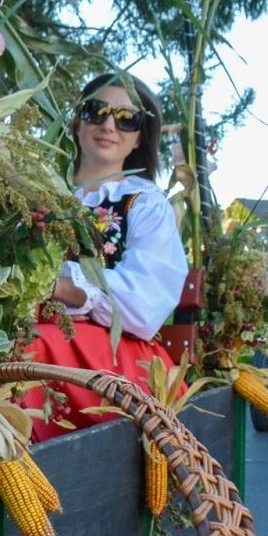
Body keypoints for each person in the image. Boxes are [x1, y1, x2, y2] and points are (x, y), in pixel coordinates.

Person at [17, 74, 188, 441]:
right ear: (77, 120)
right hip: (38, 332)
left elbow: (144, 305)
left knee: (29, 347)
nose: (109, 125)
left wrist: (65, 289)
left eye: (127, 118)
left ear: (140, 136)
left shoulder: (143, 202)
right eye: (97, 112)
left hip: (117, 350)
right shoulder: (35, 191)